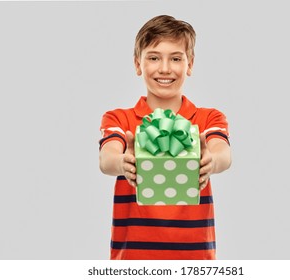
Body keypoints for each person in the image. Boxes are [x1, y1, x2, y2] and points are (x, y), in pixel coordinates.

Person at [99, 15, 231, 260]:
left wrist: (212, 160)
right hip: (132, 262)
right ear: (138, 65)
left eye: (176, 58)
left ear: (189, 64)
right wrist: (121, 163)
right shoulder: (119, 119)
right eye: (153, 57)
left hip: (195, 262)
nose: (165, 68)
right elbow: (107, 159)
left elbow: (222, 152)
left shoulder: (208, 118)